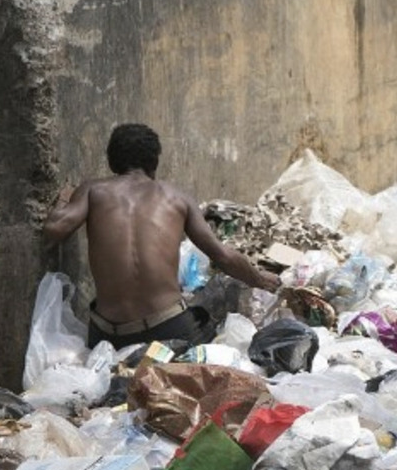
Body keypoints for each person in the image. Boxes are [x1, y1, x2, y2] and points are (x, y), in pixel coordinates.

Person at [42, 123, 280, 350]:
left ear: (112, 162)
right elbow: (222, 256)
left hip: (108, 335)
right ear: (154, 163)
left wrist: (65, 198)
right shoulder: (177, 197)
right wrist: (259, 279)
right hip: (167, 330)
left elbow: (54, 230)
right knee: (210, 324)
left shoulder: (92, 190)